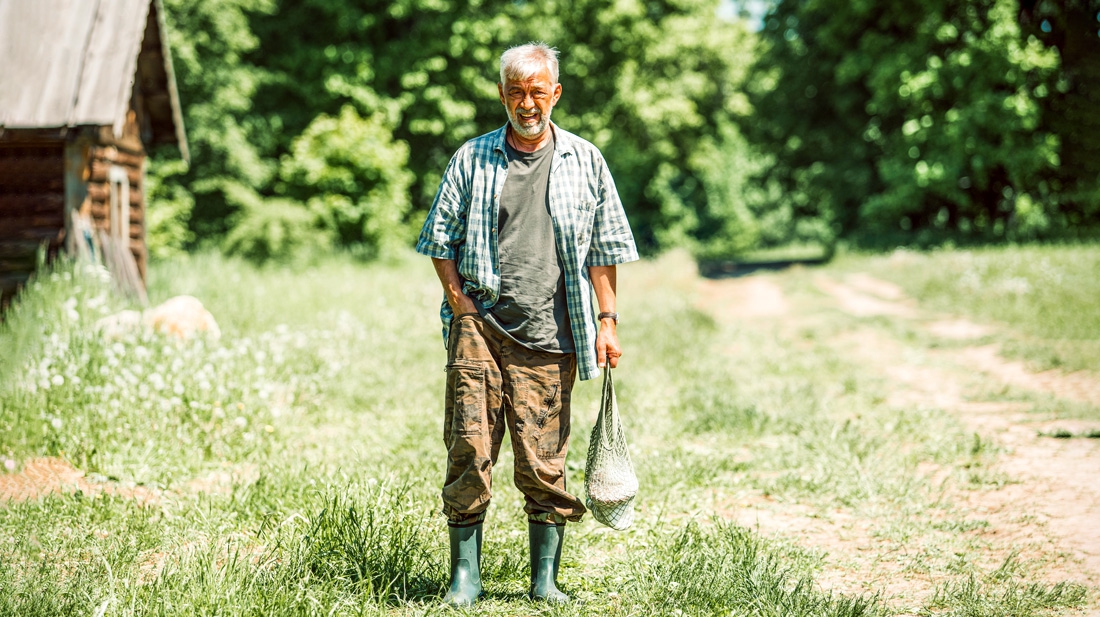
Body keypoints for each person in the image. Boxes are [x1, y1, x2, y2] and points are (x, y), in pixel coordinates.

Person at [416, 42, 639, 605]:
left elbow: (604, 250)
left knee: (544, 458)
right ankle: (465, 579)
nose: (527, 103)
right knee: (469, 448)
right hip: (480, 328)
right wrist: (459, 303)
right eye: (516, 92)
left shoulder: (585, 159)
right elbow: (439, 238)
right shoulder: (472, 158)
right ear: (501, 94)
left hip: (552, 332)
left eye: (537, 91)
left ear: (555, 93)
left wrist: (607, 320)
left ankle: (544, 581)